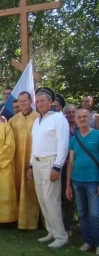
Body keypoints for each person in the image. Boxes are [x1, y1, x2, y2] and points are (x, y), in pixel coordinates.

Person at [27, 87, 69, 248]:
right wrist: (31, 164)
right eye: (37, 102)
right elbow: (34, 145)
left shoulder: (58, 119)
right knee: (43, 199)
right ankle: (51, 231)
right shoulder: (38, 120)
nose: (40, 104)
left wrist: (57, 167)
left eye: (43, 101)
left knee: (52, 200)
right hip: (37, 163)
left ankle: (61, 236)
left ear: (50, 102)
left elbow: (62, 144)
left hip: (51, 162)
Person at [66, 108, 99, 254]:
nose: (82, 119)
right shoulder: (74, 139)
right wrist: (68, 185)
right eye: (79, 117)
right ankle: (88, 241)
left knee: (95, 214)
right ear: (76, 120)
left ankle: (98, 243)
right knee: (83, 213)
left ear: (89, 117)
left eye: (85, 116)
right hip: (77, 181)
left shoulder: (97, 135)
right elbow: (71, 163)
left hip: (93, 181)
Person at [8, 91, 40, 230]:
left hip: (34, 161)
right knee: (17, 188)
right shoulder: (13, 120)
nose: (22, 103)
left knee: (33, 190)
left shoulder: (39, 117)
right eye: (20, 101)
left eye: (24, 101)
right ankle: (18, 220)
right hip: (16, 161)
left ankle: (34, 222)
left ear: (30, 101)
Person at [62, 104, 77, 237]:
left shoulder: (82, 127)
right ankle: (66, 225)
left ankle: (72, 225)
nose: (71, 114)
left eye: (73, 112)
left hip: (79, 167)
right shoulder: (62, 127)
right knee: (66, 196)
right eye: (69, 112)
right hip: (64, 166)